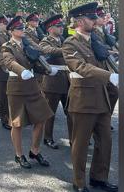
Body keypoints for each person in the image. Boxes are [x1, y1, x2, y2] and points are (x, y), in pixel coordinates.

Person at [62, 2, 119, 192]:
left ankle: (98, 178)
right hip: (83, 100)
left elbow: (106, 57)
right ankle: (79, 182)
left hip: (101, 98)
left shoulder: (96, 41)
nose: (95, 21)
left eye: (95, 18)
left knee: (105, 141)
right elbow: (80, 67)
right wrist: (109, 75)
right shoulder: (70, 44)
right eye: (91, 18)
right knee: (81, 143)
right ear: (79, 21)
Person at [1, 16, 54, 169]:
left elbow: (39, 54)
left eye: (22, 27)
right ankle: (19, 155)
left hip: (32, 85)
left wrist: (47, 68)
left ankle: (34, 151)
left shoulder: (27, 43)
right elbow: (9, 62)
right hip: (17, 86)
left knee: (42, 117)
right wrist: (22, 71)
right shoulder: (7, 46)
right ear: (12, 31)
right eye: (18, 28)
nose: (22, 30)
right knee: (17, 124)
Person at [39, 14, 72, 149]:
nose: (61, 28)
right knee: (50, 112)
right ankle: (47, 138)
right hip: (52, 82)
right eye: (58, 26)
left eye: (61, 25)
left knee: (70, 111)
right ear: (50, 28)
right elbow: (48, 51)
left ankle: (74, 137)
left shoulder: (63, 40)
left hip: (66, 80)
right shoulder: (45, 41)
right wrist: (67, 50)